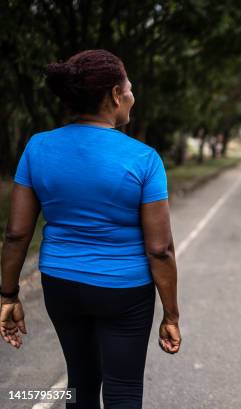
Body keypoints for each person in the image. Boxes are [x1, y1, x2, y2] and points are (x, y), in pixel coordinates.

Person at [0, 49, 181, 409]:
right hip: (124, 291)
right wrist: (171, 315)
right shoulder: (143, 158)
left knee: (80, 384)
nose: (133, 95)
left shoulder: (38, 147)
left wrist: (7, 296)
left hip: (61, 284)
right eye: (129, 87)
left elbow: (17, 234)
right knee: (124, 389)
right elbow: (160, 249)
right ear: (116, 95)